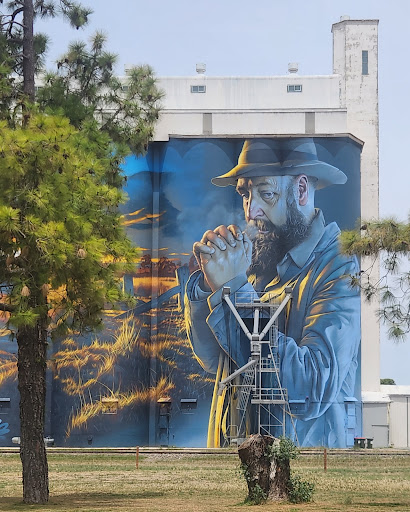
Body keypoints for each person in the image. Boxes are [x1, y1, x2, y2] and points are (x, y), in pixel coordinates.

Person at [184, 138, 361, 448]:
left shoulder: (338, 264)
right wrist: (207, 286)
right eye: (245, 194)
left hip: (298, 464)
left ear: (301, 190)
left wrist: (235, 289)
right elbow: (213, 359)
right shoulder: (258, 256)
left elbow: (311, 387)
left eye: (266, 194)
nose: (251, 211)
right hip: (233, 454)